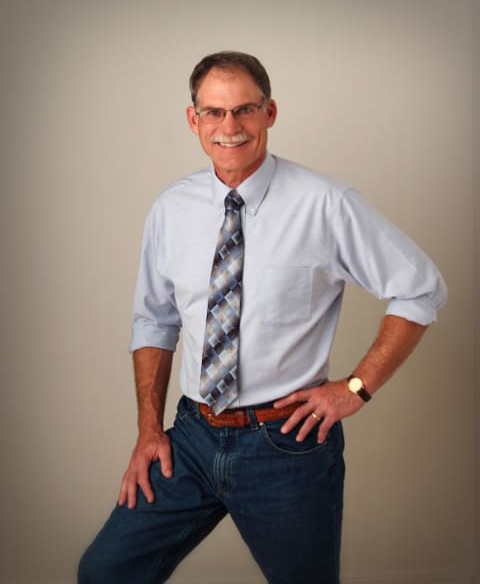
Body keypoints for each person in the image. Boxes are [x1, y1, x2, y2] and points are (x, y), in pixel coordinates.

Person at [78, 51, 447, 584]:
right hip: (191, 437)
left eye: (244, 110)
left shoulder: (325, 203)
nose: (229, 126)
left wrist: (356, 388)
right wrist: (148, 430)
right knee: (105, 572)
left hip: (285, 446)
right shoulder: (171, 209)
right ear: (193, 119)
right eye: (213, 111)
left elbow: (420, 289)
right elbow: (155, 322)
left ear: (269, 113)